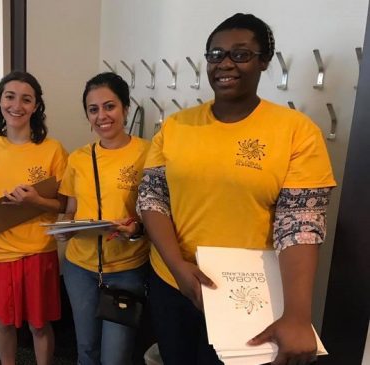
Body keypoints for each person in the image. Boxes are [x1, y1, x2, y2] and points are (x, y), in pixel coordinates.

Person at [137, 13, 337, 365]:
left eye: (240, 54)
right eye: (215, 55)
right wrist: (179, 268)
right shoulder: (176, 125)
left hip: (246, 293)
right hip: (171, 281)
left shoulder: (296, 131)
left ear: (263, 61)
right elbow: (152, 199)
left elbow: (301, 226)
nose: (225, 63)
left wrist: (297, 315)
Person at [0, 71, 68, 365]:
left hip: (37, 250)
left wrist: (35, 200)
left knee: (39, 324)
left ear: (36, 106)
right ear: (0, 101)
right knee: (3, 322)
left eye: (26, 99)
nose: (17, 105)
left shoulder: (52, 149)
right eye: (10, 97)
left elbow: (63, 205)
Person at [58, 72, 150, 365]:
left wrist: (135, 228)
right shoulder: (79, 158)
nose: (102, 116)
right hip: (79, 269)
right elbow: (71, 209)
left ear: (125, 107)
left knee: (116, 357)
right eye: (93, 109)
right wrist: (65, 227)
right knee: (86, 349)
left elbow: (160, 212)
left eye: (109, 106)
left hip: (126, 269)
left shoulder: (148, 154)